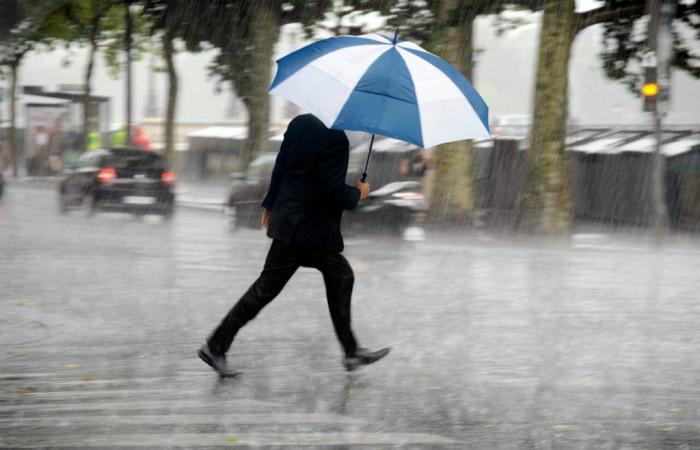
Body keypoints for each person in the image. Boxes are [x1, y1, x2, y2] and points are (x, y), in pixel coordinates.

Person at [199, 114, 390, 377]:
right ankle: (216, 345)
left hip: (290, 222)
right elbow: (331, 190)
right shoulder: (336, 139)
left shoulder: (300, 123)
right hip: (309, 230)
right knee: (275, 287)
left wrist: (270, 204)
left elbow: (281, 166)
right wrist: (359, 193)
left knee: (336, 277)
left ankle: (350, 351)